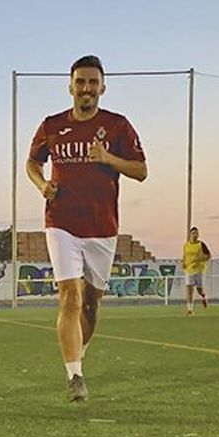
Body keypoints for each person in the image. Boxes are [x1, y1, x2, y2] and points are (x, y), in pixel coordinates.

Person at [27, 55, 147, 402]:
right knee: (70, 295)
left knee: (92, 303)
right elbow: (33, 162)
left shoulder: (118, 126)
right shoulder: (51, 125)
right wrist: (41, 184)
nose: (86, 89)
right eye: (80, 82)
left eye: (93, 83)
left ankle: (80, 353)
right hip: (61, 222)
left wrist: (109, 159)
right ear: (70, 87)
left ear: (102, 87)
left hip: (102, 228)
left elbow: (141, 171)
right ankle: (74, 375)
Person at [181, 226, 211, 314]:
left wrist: (201, 258)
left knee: (199, 289)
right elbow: (185, 256)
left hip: (199, 270)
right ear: (190, 234)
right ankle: (190, 310)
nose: (195, 235)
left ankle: (204, 296)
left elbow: (208, 256)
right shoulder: (186, 245)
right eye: (193, 233)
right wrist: (183, 263)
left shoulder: (201, 245)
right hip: (189, 269)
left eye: (196, 233)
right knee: (189, 289)